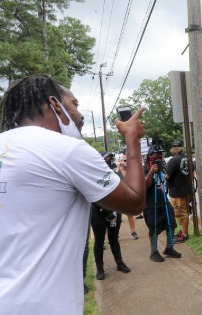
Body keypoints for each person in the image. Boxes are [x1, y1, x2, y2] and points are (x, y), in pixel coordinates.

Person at [0, 74, 146, 314]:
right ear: (55, 104)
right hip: (43, 305)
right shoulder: (67, 150)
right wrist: (132, 139)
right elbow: (134, 202)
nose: (79, 116)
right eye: (74, 105)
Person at [91, 155, 132, 280]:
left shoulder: (115, 174)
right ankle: (100, 268)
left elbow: (121, 189)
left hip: (114, 210)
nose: (108, 161)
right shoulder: (92, 176)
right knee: (99, 240)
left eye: (109, 158)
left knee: (114, 238)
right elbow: (91, 194)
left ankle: (119, 263)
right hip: (98, 211)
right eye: (105, 159)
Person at [144, 146, 181, 262]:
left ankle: (169, 248)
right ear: (150, 156)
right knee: (154, 227)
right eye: (156, 154)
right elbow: (145, 186)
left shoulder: (163, 165)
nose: (159, 156)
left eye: (160, 154)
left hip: (164, 201)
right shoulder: (144, 168)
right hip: (151, 204)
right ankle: (154, 251)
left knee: (171, 224)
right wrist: (151, 172)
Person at [165, 140, 194, 243]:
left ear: (173, 149)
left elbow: (167, 176)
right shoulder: (188, 159)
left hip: (177, 191)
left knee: (181, 214)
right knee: (185, 211)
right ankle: (183, 231)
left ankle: (184, 235)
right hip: (187, 190)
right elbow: (192, 173)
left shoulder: (173, 161)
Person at [116, 155, 138, 239]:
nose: (125, 162)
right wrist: (118, 167)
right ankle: (115, 233)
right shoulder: (117, 170)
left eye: (127, 160)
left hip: (127, 195)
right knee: (117, 217)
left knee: (130, 215)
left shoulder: (130, 171)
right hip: (118, 196)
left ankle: (133, 232)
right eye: (124, 160)